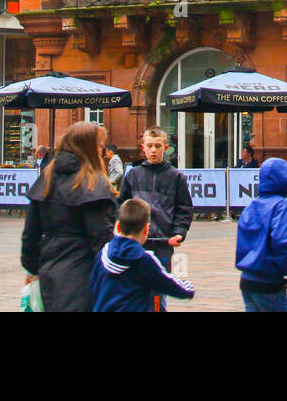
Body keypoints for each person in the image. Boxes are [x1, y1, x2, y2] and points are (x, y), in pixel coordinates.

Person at [21, 121, 117, 312]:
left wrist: (34, 268)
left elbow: (29, 237)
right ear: (89, 147)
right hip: (84, 274)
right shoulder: (93, 184)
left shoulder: (46, 179)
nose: (102, 151)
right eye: (99, 145)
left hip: (49, 269)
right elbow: (101, 240)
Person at [116, 126, 193, 310]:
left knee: (158, 291)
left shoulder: (176, 177)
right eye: (149, 146)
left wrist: (179, 232)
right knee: (133, 288)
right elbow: (122, 206)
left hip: (162, 243)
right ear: (142, 147)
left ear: (165, 148)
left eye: (157, 146)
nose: (153, 150)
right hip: (135, 242)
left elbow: (184, 209)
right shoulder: (133, 175)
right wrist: (122, 231)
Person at [91, 198, 196, 312]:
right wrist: (188, 288)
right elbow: (169, 284)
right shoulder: (144, 260)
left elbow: (93, 286)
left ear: (118, 226)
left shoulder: (103, 253)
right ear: (146, 229)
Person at [235, 157, 287, 311]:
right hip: (268, 280)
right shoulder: (282, 206)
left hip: (247, 279)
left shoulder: (251, 205)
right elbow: (281, 242)